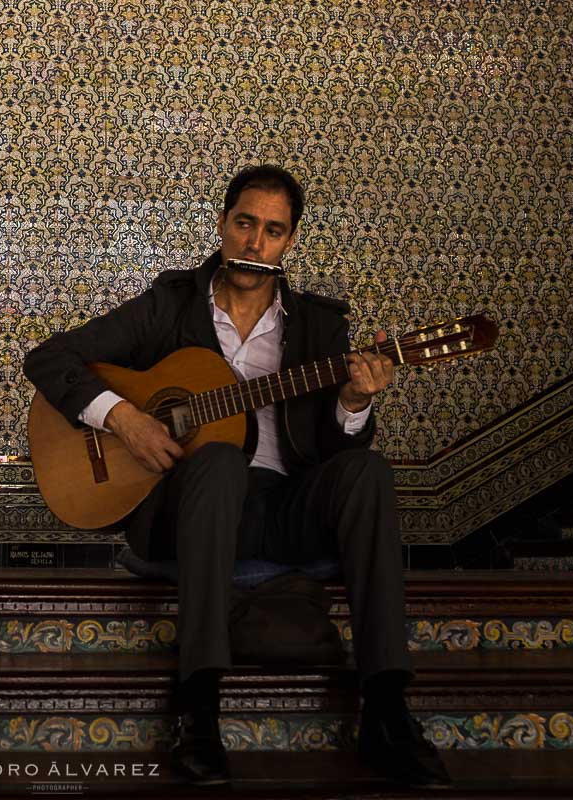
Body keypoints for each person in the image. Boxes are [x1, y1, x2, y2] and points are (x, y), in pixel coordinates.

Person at [23, 165, 450, 789]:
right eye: (245, 224)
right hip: (186, 507)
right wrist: (125, 419)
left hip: (283, 509)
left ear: (289, 242)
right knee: (219, 458)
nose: (255, 243)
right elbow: (49, 357)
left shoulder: (320, 327)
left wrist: (355, 402)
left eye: (273, 232)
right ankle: (198, 708)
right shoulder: (171, 302)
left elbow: (331, 446)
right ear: (223, 224)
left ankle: (386, 708)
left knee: (366, 471)